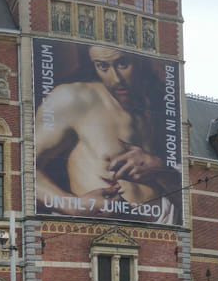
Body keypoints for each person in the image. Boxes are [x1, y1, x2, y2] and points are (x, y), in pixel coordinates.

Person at [35, 42, 181, 225]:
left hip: (165, 226)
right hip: (102, 234)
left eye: (123, 64)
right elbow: (22, 168)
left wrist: (160, 169)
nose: (116, 78)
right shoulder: (72, 98)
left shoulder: (161, 105)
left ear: (140, 60)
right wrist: (73, 206)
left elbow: (193, 186)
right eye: (103, 66)